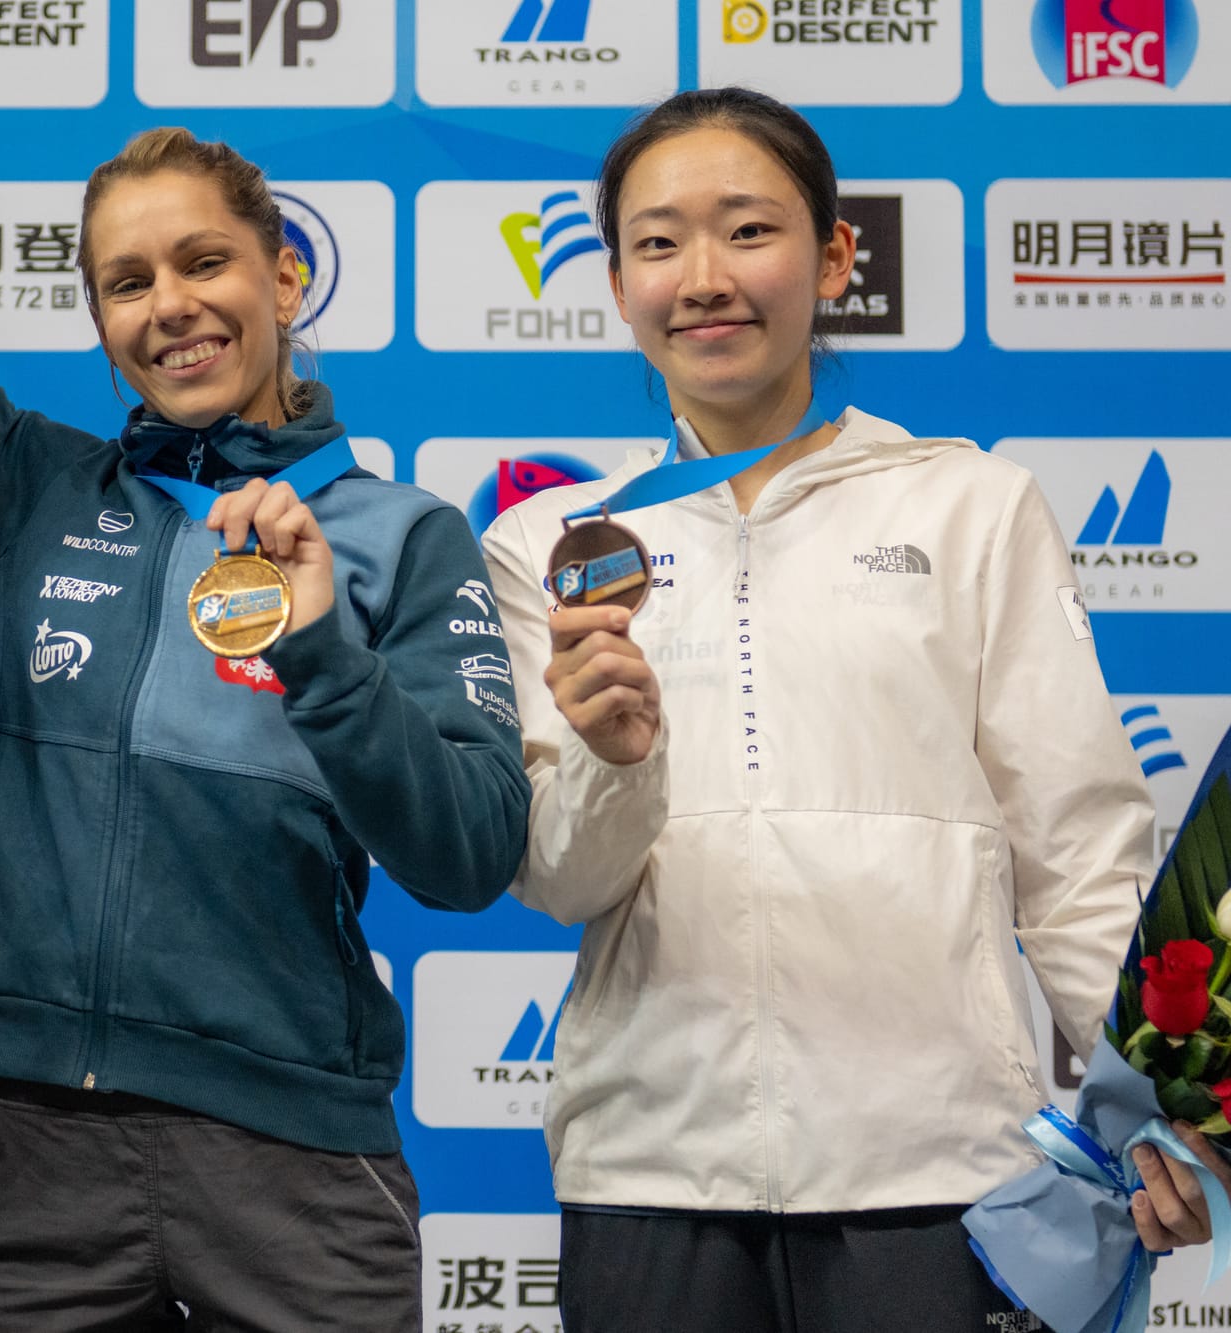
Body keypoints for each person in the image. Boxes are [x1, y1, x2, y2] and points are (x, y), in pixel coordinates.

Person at [0, 8, 530, 1327]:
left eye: (203, 262)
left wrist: (322, 657)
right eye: (126, 282)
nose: (169, 304)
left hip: (296, 1151)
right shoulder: (37, 481)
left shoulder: (403, 535)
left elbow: (470, 854)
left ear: (283, 279)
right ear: (100, 321)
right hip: (31, 1152)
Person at [481, 86, 1231, 1330]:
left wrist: (1158, 1111)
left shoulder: (967, 505)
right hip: (649, 1169)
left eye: (747, 230)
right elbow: (559, 877)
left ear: (832, 257)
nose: (703, 278)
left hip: (939, 1164)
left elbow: (1076, 855)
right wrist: (615, 763)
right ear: (615, 284)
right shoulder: (551, 546)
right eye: (657, 243)